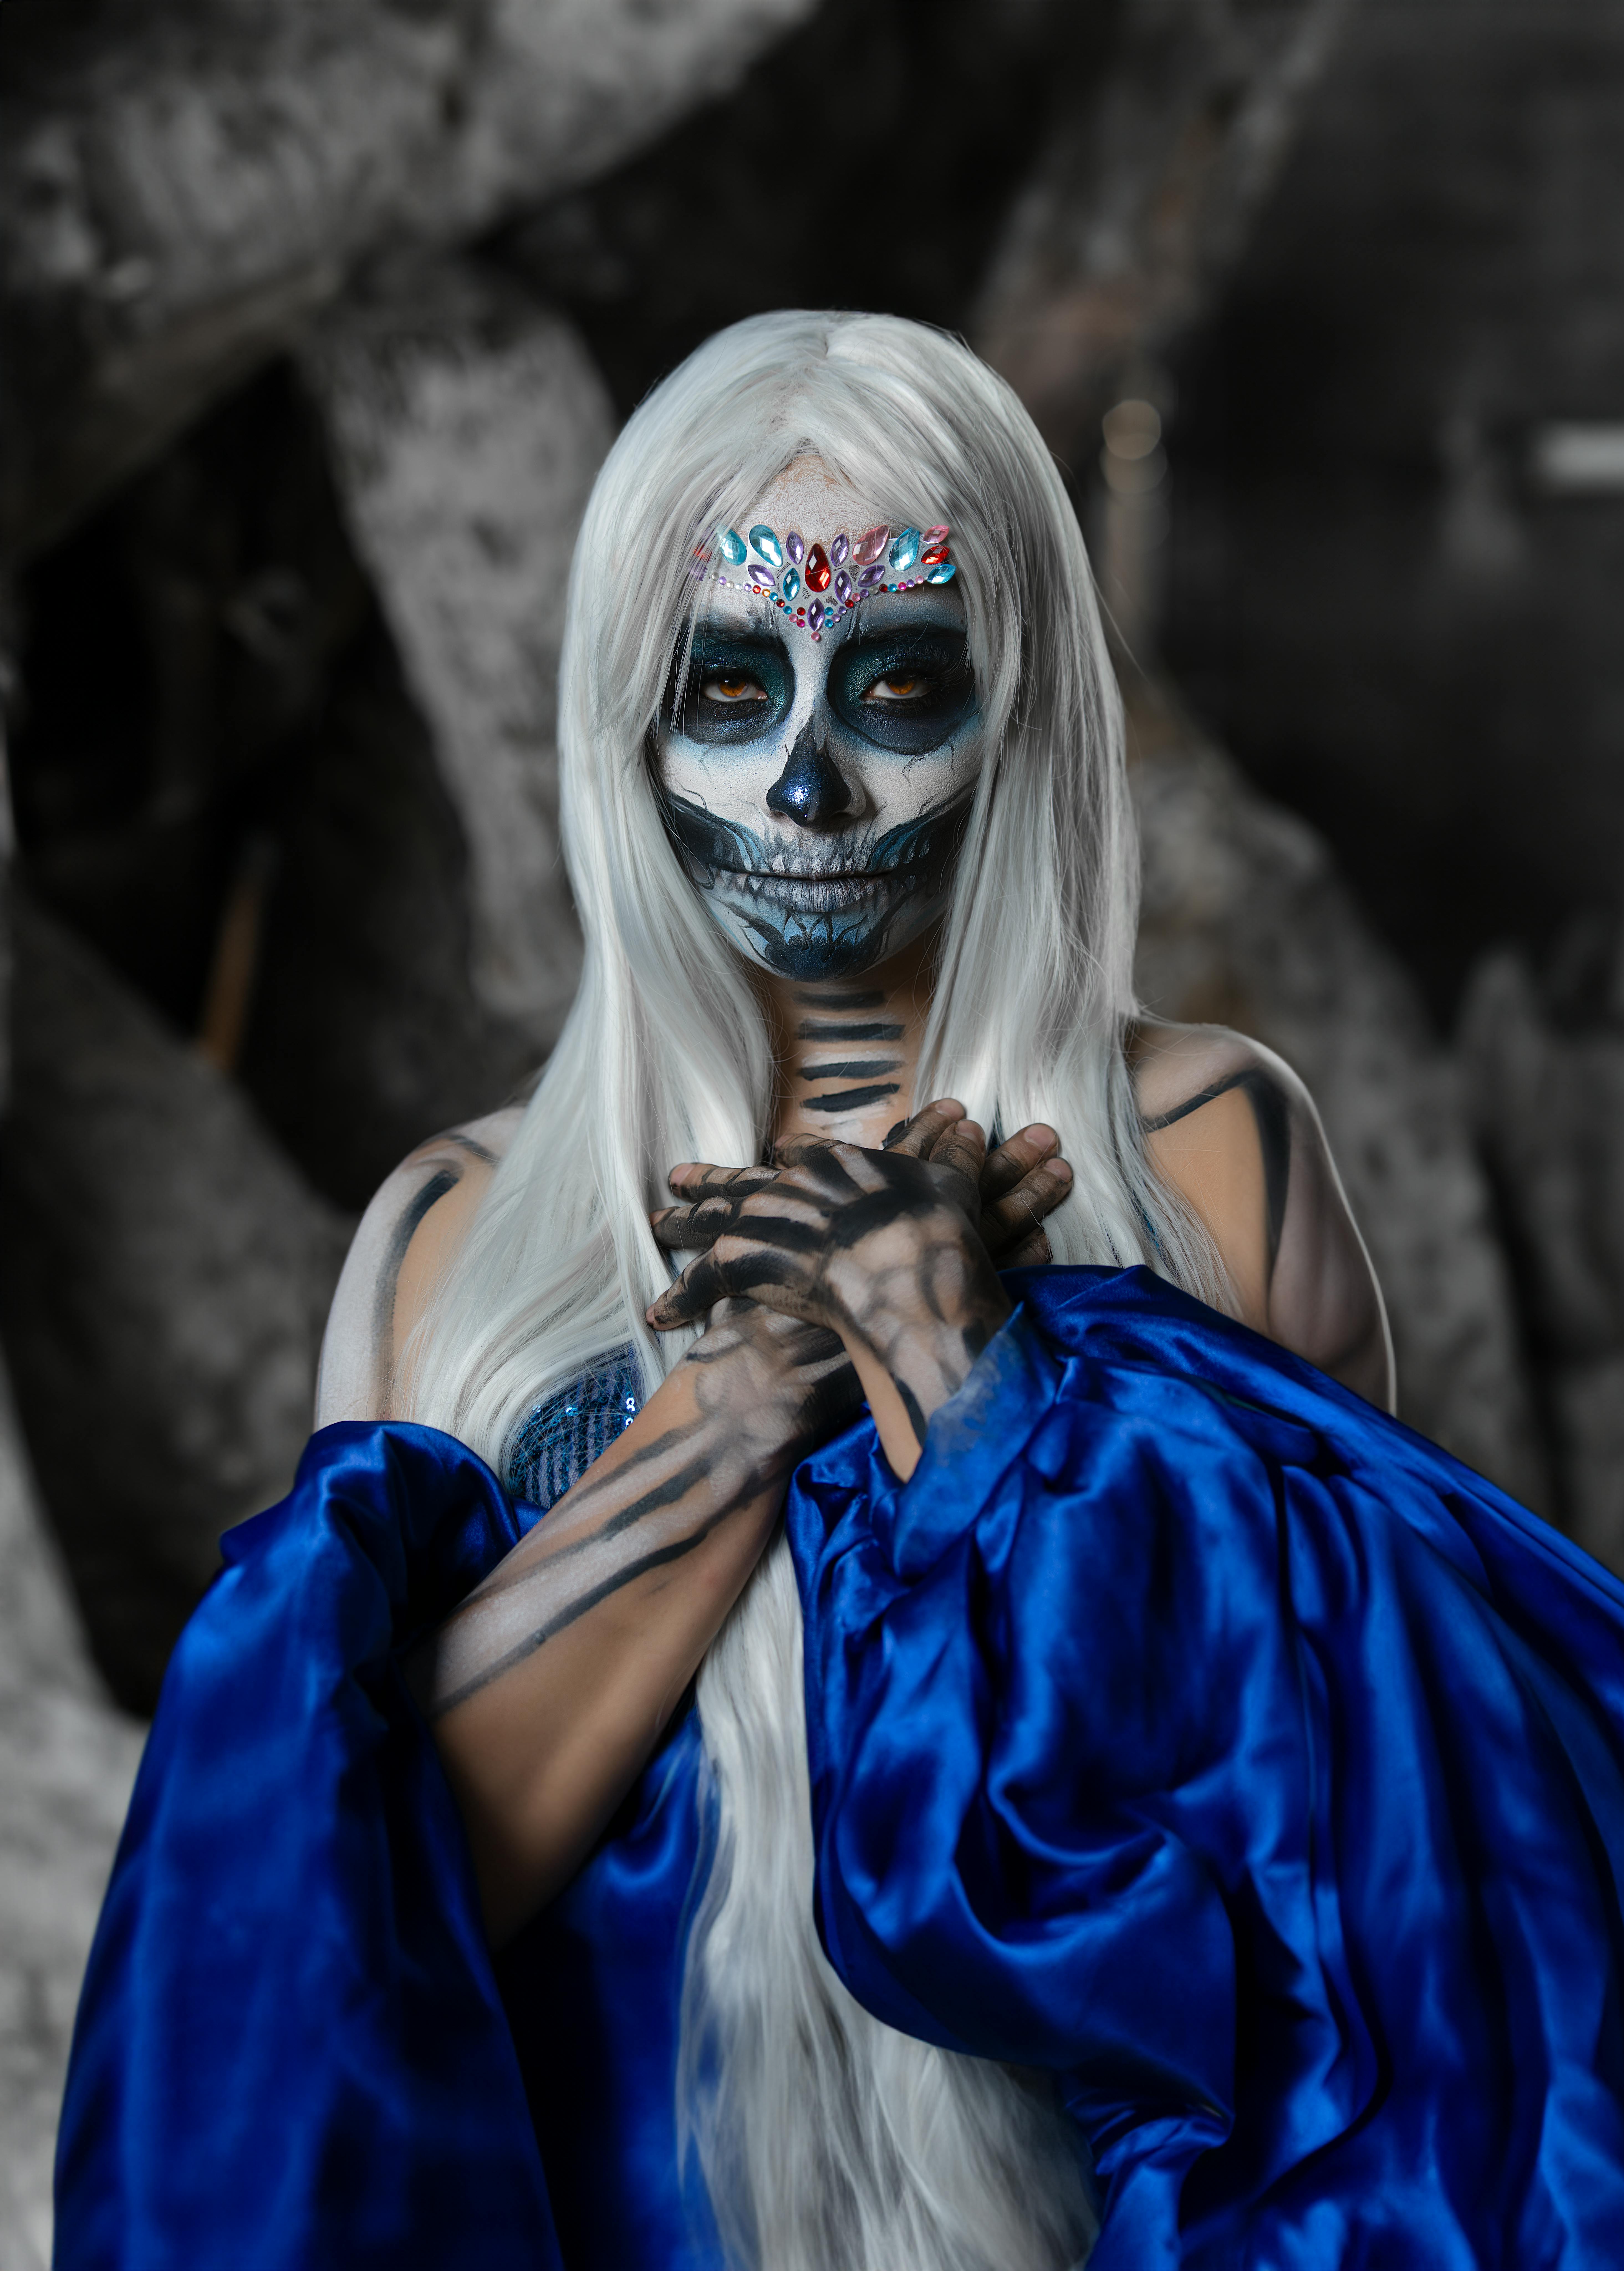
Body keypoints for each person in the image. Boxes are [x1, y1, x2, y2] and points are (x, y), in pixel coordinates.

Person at [56, 313, 1624, 2271]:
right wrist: (731, 1416)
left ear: (1021, 711)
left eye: (895, 683)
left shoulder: (1206, 1145)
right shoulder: (457, 1233)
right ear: (623, 712)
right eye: (727, 684)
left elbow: (1358, 1884)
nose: (803, 786)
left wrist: (980, 1392)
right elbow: (347, 1909)